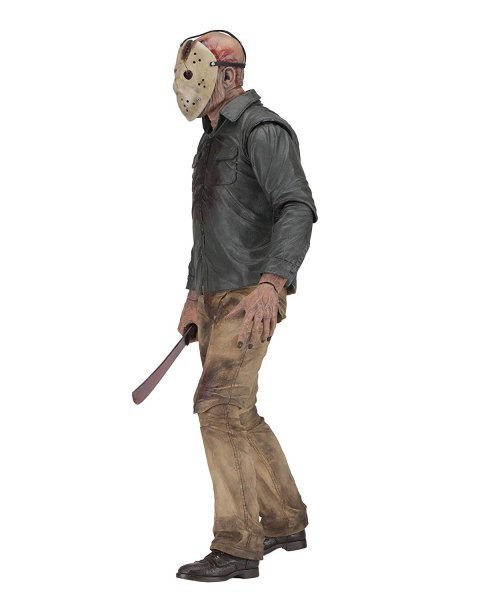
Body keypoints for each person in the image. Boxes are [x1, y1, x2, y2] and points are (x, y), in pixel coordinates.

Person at [173, 30, 318, 582]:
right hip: (214, 297)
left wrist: (272, 283)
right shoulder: (211, 140)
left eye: (199, 71)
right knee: (238, 413)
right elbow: (207, 226)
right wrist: (193, 294)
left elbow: (296, 207)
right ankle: (284, 520)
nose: (187, 84)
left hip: (250, 296)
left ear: (229, 76)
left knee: (217, 407)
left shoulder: (263, 129)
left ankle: (237, 546)